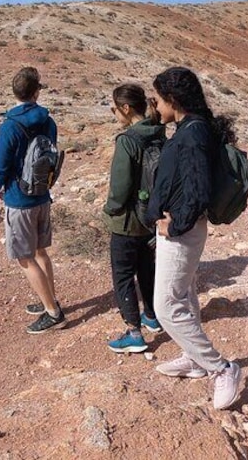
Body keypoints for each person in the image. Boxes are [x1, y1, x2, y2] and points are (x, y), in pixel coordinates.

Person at [146, 66, 243, 410]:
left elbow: (199, 190)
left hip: (182, 231)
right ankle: (194, 358)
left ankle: (221, 368)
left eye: (157, 100)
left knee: (166, 306)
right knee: (184, 296)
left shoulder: (193, 134)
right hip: (181, 228)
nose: (155, 107)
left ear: (173, 100)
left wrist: (174, 226)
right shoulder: (190, 128)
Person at [0, 66, 66, 334]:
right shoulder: (48, 121)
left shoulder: (10, 125)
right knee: (40, 251)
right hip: (42, 194)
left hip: (18, 199)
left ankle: (53, 313)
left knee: (24, 257)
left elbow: (2, 161)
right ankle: (49, 299)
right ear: (36, 92)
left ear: (15, 92)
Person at [102, 83, 166, 353]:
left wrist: (110, 210)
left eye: (114, 108)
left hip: (127, 220)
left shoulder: (128, 140)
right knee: (147, 268)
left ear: (126, 109)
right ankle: (151, 316)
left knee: (124, 275)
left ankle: (133, 333)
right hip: (151, 216)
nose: (114, 113)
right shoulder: (159, 134)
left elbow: (119, 188)